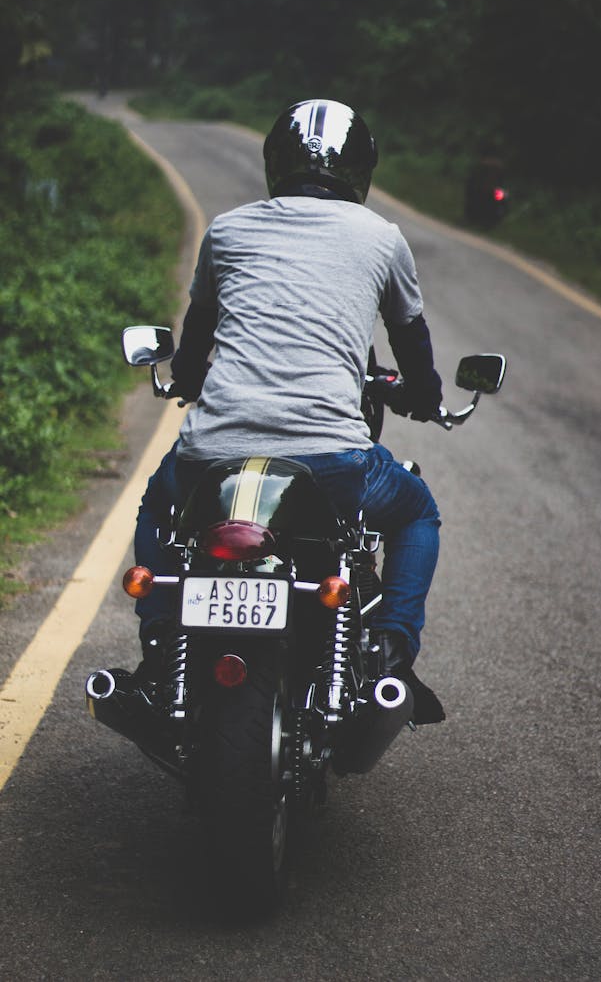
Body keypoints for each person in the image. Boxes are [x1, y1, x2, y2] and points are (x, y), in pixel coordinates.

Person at [134, 99, 445, 722]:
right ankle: (391, 647)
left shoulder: (226, 230)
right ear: (361, 169)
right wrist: (425, 398)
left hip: (209, 459)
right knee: (417, 510)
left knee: (158, 502)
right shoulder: (381, 238)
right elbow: (412, 341)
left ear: (275, 161)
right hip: (331, 461)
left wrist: (188, 380)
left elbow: (194, 350)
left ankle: (163, 636)